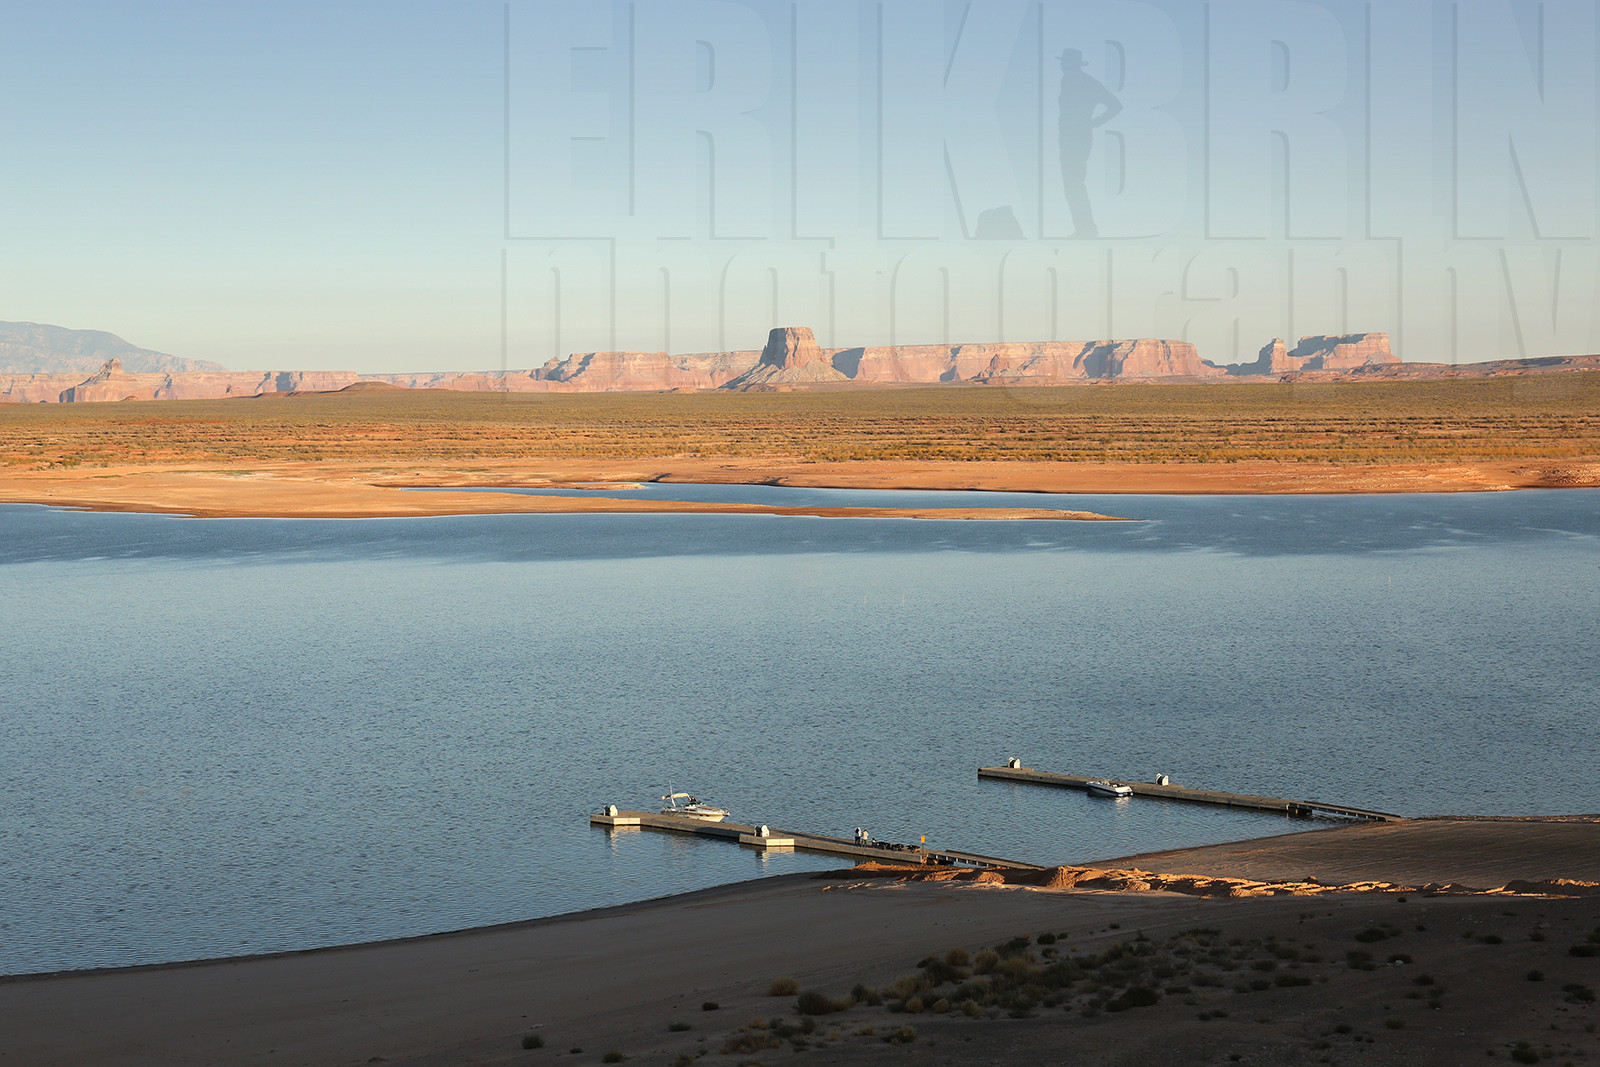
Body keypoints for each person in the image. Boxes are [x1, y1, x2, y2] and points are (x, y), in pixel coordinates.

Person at [1057, 48, 1122, 238]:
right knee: (1072, 184)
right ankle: (1083, 228)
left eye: (1064, 63)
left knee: (1074, 183)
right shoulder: (1067, 80)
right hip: (1068, 138)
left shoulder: (1087, 83)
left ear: (1072, 64)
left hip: (1077, 139)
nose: (1061, 66)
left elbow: (1116, 105)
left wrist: (1095, 122)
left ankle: (1086, 229)